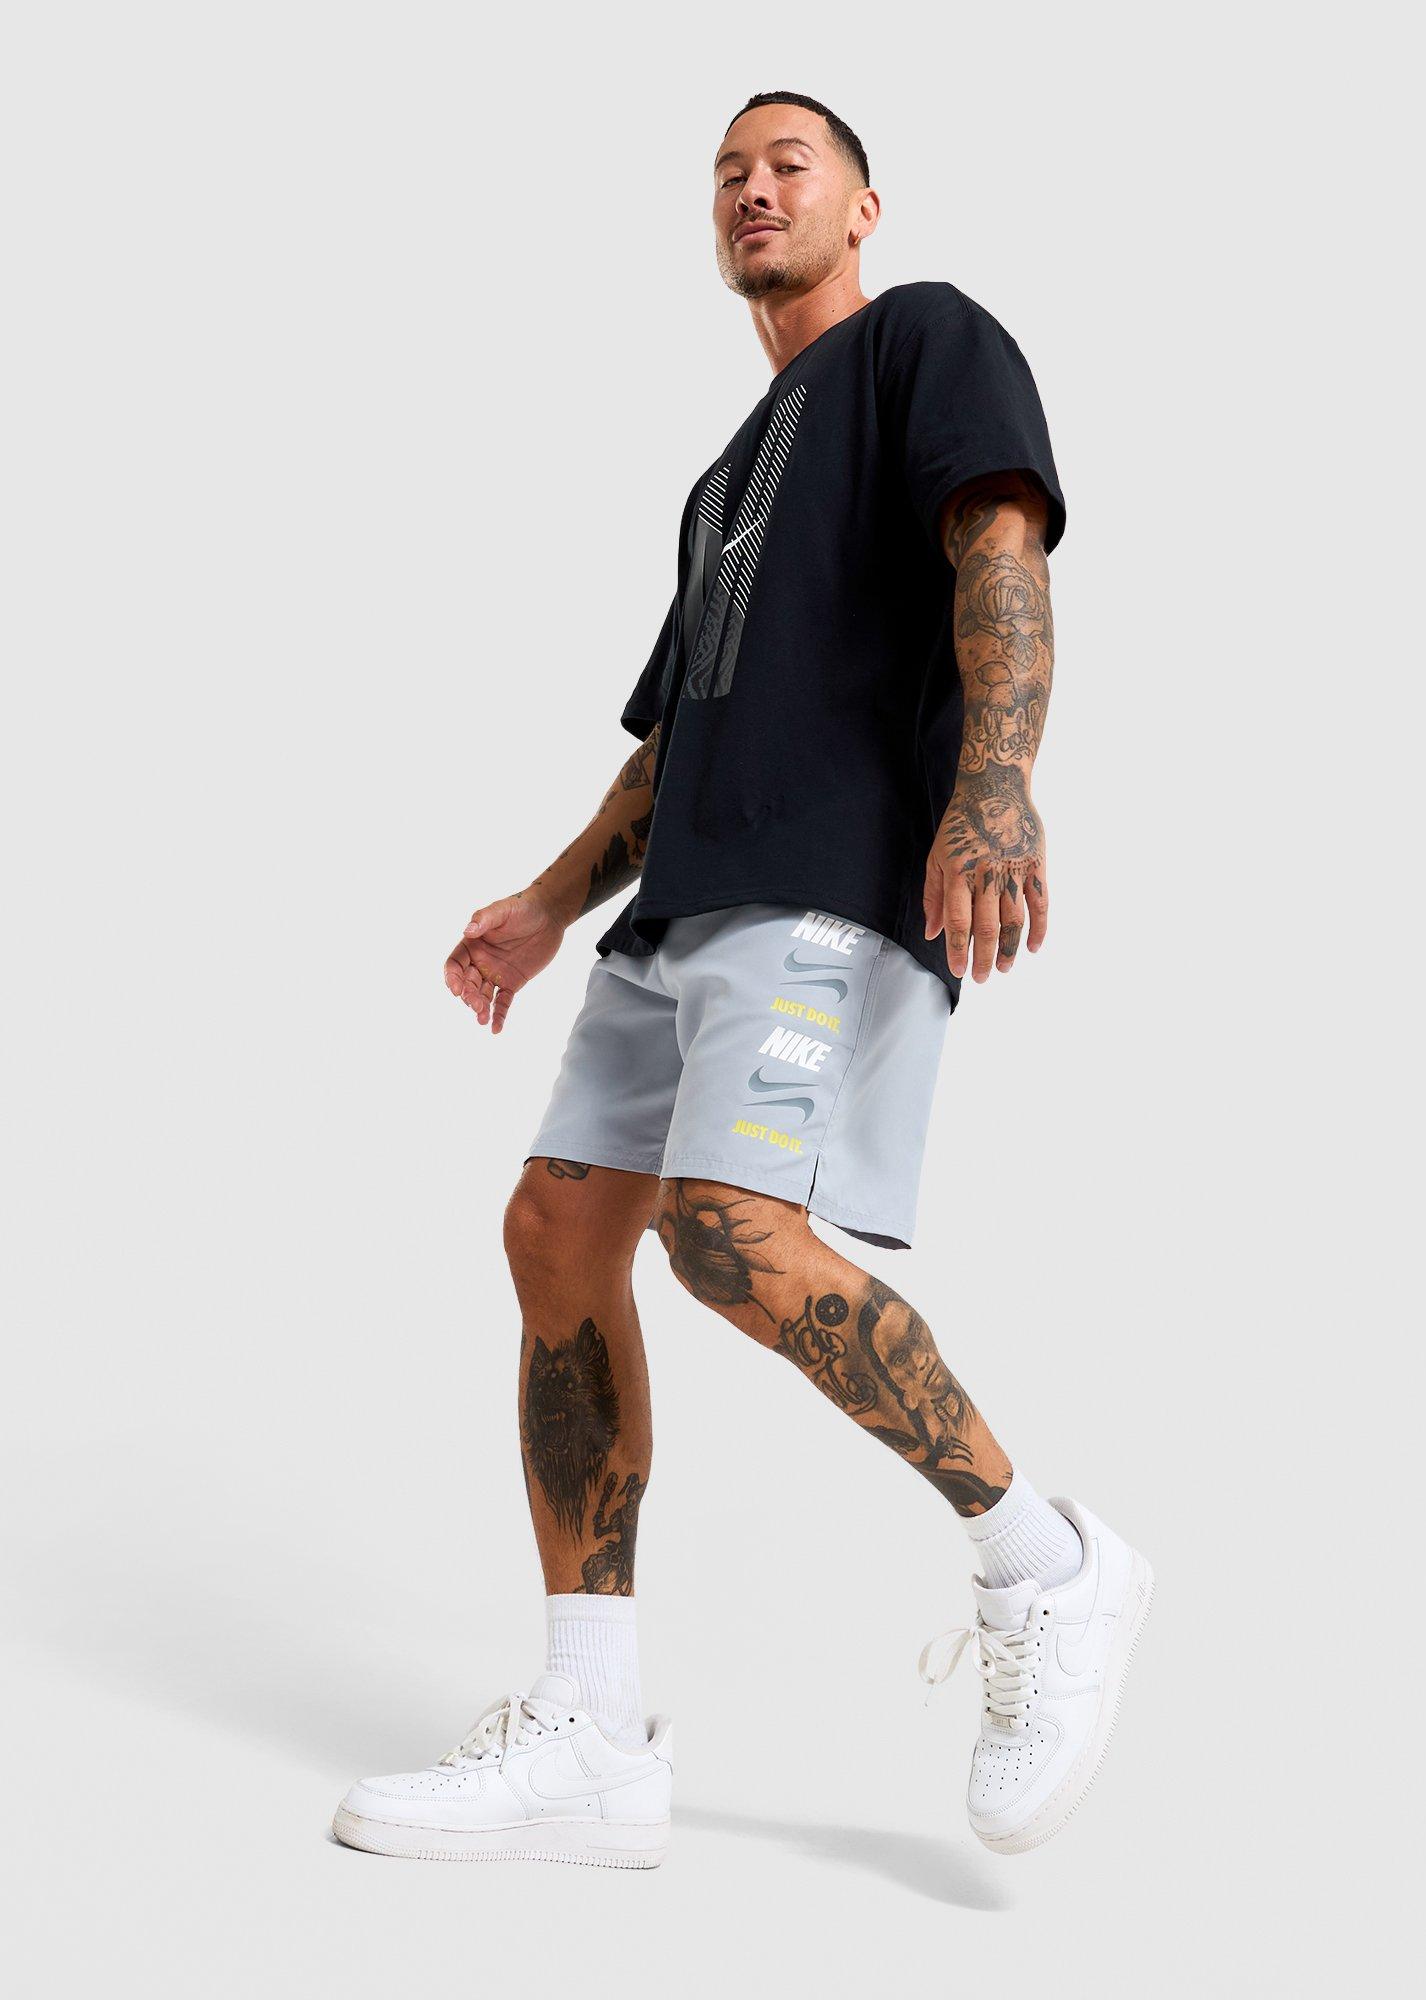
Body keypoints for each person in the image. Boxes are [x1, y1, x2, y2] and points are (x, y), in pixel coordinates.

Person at [333, 89, 1153, 1870]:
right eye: (727, 173)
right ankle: (589, 1728)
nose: (753, 188)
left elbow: (998, 548)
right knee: (557, 1234)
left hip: (826, 892)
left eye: (789, 164)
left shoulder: (924, 339)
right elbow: (673, 738)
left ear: (865, 203)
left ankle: (1045, 1564)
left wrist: (997, 780)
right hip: (677, 914)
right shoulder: (724, 483)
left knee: (726, 1234)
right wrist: (549, 902)